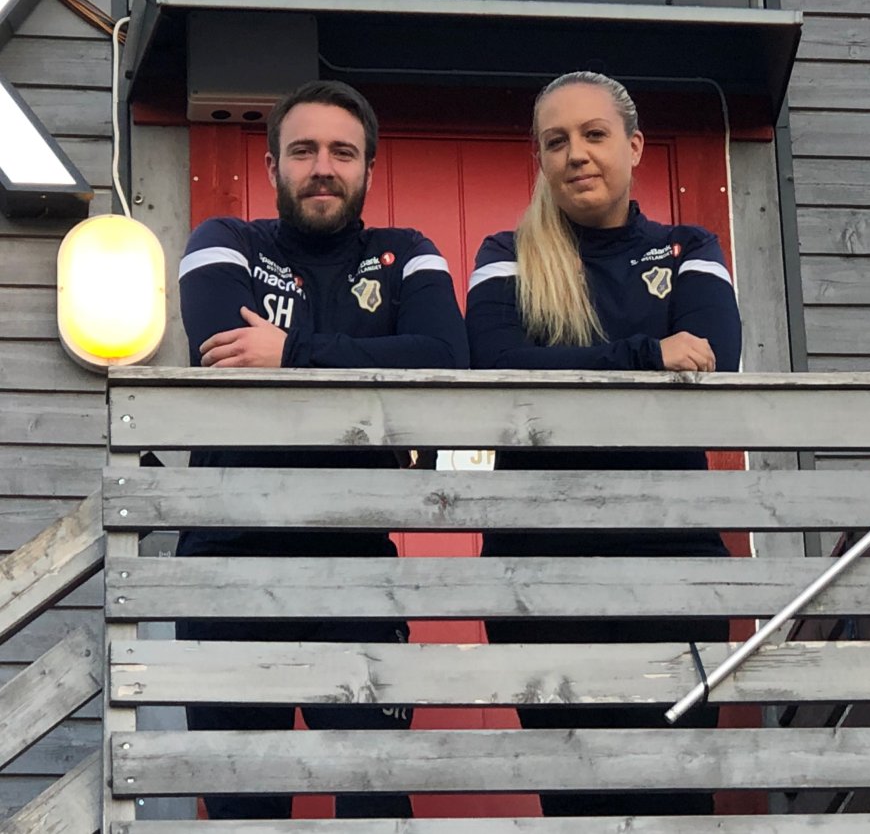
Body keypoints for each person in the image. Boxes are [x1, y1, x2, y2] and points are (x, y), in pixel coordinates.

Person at [176, 79, 469, 820]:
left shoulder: (408, 255)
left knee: (374, 795)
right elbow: (223, 350)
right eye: (303, 151)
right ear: (272, 164)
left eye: (342, 152)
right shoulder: (223, 242)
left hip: (357, 563)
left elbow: (445, 357)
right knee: (243, 804)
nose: (322, 168)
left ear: (369, 166)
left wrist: (290, 353)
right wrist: (370, 383)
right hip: (226, 567)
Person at [465, 71, 741, 816]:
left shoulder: (688, 246)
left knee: (677, 794)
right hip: (539, 571)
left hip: (675, 562)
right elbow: (498, 367)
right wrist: (647, 356)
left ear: (635, 146)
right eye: (556, 141)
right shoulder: (505, 253)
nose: (576, 154)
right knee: (575, 795)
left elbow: (714, 355)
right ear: (540, 158)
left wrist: (575, 369)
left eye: (594, 135)